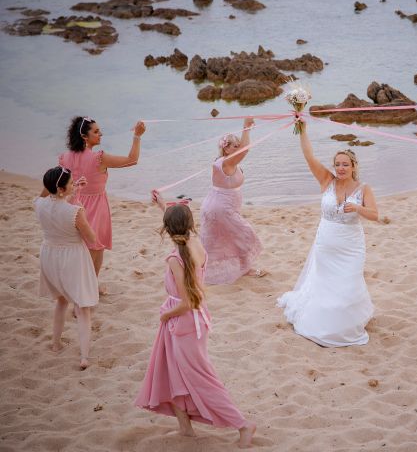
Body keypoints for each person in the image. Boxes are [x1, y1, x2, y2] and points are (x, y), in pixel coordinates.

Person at [134, 191, 255, 447]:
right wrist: (163, 206)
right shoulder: (195, 242)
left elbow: (189, 300)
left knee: (200, 376)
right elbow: (179, 226)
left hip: (182, 320)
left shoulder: (175, 258)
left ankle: (243, 424)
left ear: (167, 229)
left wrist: (166, 313)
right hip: (195, 319)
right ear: (190, 224)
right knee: (173, 373)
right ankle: (185, 427)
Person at [277, 118, 378, 347]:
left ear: (353, 166)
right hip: (326, 244)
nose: (340, 168)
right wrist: (302, 128)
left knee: (349, 283)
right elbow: (309, 156)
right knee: (325, 286)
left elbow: (375, 215)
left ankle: (348, 321)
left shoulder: (363, 189)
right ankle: (326, 323)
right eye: (337, 164)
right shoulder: (327, 181)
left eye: (345, 164)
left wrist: (359, 208)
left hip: (351, 245)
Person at [59, 116, 146, 292]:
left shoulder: (64, 158)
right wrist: (137, 136)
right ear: (84, 136)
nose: (101, 134)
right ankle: (86, 289)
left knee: (78, 248)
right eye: (96, 131)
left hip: (71, 205)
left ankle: (88, 286)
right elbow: (132, 159)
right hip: (95, 207)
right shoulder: (99, 158)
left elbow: (61, 186)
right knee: (96, 249)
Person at [34, 166, 99, 370]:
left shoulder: (39, 204)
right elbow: (91, 238)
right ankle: (85, 356)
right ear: (61, 189)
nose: (74, 185)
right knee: (83, 307)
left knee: (61, 300)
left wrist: (70, 189)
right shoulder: (75, 211)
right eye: (71, 183)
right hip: (72, 257)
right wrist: (77, 201)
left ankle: (55, 343)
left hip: (49, 254)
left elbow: (46, 193)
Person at [200, 117, 265, 285]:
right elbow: (245, 150)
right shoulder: (223, 163)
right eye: (234, 146)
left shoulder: (231, 163)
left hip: (224, 208)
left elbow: (243, 151)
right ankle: (244, 269)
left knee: (228, 239)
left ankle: (243, 268)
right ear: (226, 149)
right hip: (219, 209)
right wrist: (246, 128)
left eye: (238, 145)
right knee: (244, 235)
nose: (238, 148)